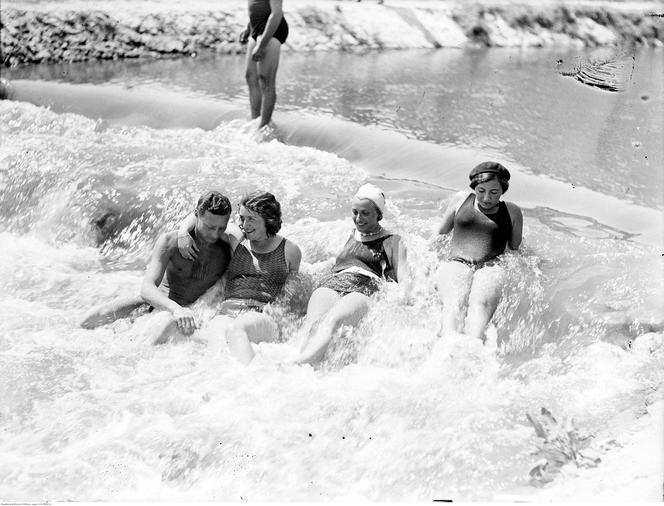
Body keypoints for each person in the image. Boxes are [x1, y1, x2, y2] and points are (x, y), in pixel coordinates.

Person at [80, 190, 234, 344]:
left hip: (192, 312)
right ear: (196, 215)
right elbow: (147, 288)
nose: (215, 234)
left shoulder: (227, 249)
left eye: (221, 228)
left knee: (160, 329)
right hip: (157, 304)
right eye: (209, 227)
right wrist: (176, 309)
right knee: (89, 320)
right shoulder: (170, 242)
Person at [179, 191, 301, 364]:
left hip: (260, 314)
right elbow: (200, 215)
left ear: (269, 219)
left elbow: (291, 296)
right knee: (217, 344)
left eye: (251, 219)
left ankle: (252, 377)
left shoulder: (290, 251)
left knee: (237, 329)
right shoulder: (237, 240)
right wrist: (183, 232)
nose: (245, 224)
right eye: (242, 218)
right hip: (226, 312)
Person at [294, 183, 408, 365]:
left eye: (365, 213)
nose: (358, 218)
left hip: (364, 286)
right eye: (355, 212)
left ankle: (305, 362)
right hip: (334, 281)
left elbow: (403, 276)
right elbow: (332, 263)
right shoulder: (349, 234)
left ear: (378, 214)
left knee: (334, 320)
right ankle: (300, 363)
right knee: (313, 324)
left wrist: (405, 300)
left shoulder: (392, 240)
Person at [433, 161, 523, 343]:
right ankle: (446, 348)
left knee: (480, 308)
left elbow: (514, 247)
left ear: (503, 191)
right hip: (457, 263)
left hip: (490, 267)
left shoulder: (512, 211)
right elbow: (440, 232)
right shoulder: (461, 200)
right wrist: (428, 260)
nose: (487, 198)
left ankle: (472, 350)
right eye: (481, 191)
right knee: (453, 304)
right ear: (474, 187)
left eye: (494, 192)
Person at [239, 0, 288, 128]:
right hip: (255, 29)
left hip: (272, 30)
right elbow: (258, 8)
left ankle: (264, 127)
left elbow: (276, 14)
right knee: (250, 77)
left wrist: (261, 46)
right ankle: (255, 121)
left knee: (266, 80)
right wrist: (248, 27)